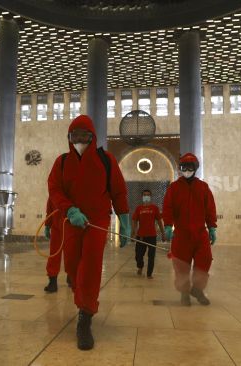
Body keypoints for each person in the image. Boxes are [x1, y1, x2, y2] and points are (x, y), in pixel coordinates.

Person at [48, 114, 130, 351]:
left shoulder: (107, 160)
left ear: (93, 137)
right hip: (71, 222)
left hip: (97, 221)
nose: (80, 140)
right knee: (73, 268)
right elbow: (54, 189)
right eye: (75, 136)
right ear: (69, 138)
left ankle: (85, 316)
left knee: (91, 266)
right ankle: (80, 292)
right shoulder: (61, 162)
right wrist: (69, 209)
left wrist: (124, 219)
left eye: (84, 136)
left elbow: (118, 190)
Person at [163, 153, 217, 306]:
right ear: (180, 169)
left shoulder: (203, 187)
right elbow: (168, 208)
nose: (187, 170)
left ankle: (198, 290)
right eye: (184, 167)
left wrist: (212, 227)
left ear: (195, 168)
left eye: (190, 167)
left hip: (200, 234)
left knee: (204, 262)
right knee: (181, 266)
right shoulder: (174, 188)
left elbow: (210, 209)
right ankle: (184, 293)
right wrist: (168, 225)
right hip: (181, 235)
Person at [132, 189, 165, 279]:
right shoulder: (139, 208)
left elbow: (159, 221)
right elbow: (134, 221)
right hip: (141, 236)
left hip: (152, 236)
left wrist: (163, 233)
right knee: (138, 255)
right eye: (144, 195)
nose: (146, 196)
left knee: (151, 256)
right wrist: (133, 233)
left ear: (150, 197)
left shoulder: (155, 208)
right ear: (142, 196)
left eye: (148, 195)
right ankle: (140, 266)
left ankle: (149, 274)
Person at [43, 196, 65, 293]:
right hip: (57, 227)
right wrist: (48, 225)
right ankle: (52, 281)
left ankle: (71, 277)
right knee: (54, 255)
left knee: (72, 254)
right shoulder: (54, 193)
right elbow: (50, 210)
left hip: (71, 225)